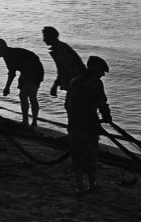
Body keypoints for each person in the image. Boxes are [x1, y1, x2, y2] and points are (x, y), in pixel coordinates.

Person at [64, 55, 112, 195]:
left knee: (77, 157)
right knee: (91, 156)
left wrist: (74, 119)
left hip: (74, 125)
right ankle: (92, 185)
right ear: (95, 67)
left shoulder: (74, 82)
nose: (103, 74)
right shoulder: (95, 83)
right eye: (102, 70)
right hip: (89, 126)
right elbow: (101, 103)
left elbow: (68, 105)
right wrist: (106, 117)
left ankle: (79, 186)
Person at [0, 38, 45, 128]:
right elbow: (12, 72)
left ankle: (34, 122)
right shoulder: (7, 54)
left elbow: (12, 73)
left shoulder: (9, 55)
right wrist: (8, 87)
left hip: (35, 70)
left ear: (1, 49)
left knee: (32, 95)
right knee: (23, 95)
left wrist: (7, 87)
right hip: (25, 71)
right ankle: (25, 121)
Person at [42, 26, 86, 97]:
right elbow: (62, 69)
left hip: (78, 82)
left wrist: (57, 85)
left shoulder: (61, 49)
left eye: (45, 37)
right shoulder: (57, 48)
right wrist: (56, 85)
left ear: (50, 37)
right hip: (76, 81)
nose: (43, 40)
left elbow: (67, 68)